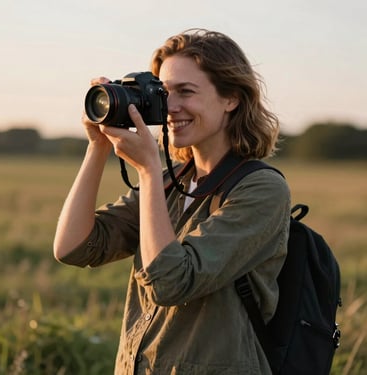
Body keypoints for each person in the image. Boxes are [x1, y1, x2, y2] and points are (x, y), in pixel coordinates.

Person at [53, 28, 291, 374]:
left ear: (231, 99)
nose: (171, 107)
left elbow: (170, 282)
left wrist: (149, 170)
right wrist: (98, 146)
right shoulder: (170, 182)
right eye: (164, 93)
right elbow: (72, 247)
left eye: (186, 92)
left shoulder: (262, 190)